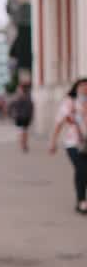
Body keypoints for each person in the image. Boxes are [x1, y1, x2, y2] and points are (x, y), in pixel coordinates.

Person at [49, 78, 87, 214]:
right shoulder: (69, 102)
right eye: (82, 85)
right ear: (76, 88)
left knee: (82, 172)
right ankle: (82, 201)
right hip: (73, 143)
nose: (84, 88)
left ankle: (81, 200)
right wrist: (53, 142)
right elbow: (59, 123)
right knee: (82, 170)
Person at [10, 85, 34, 153]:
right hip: (20, 117)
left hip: (23, 117)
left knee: (23, 131)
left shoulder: (22, 97)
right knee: (22, 131)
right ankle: (23, 144)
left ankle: (23, 144)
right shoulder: (24, 97)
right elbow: (12, 107)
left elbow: (31, 107)